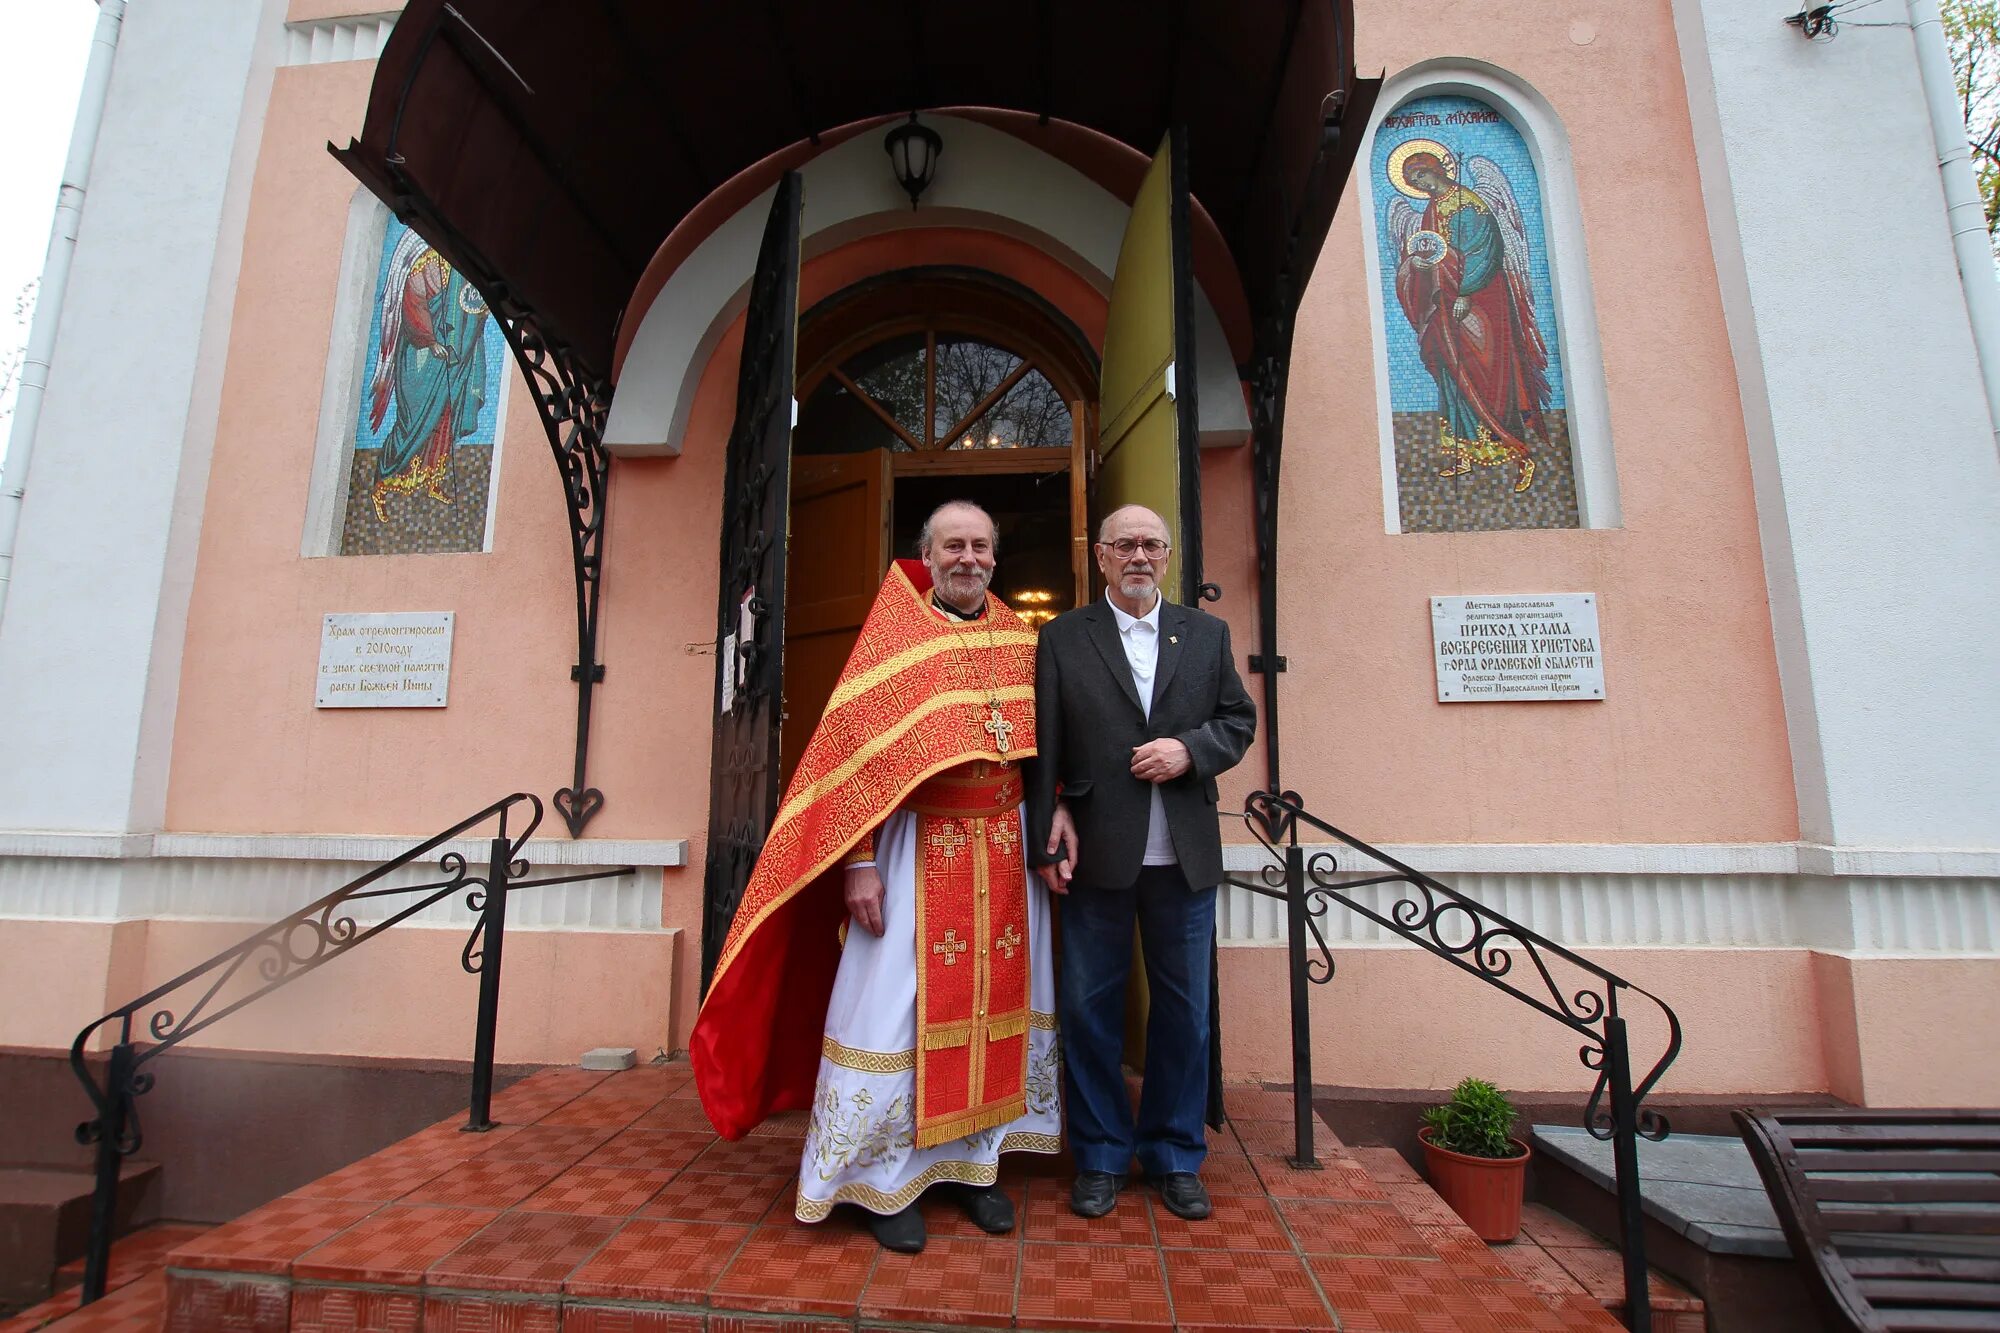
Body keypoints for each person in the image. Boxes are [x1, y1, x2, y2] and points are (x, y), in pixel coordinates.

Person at [691, 501, 1060, 1255]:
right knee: (892, 1009)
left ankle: (973, 1170)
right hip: (915, 850)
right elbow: (851, 759)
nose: (968, 557)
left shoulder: (1021, 637)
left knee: (998, 1007)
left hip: (1004, 847)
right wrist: (857, 860)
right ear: (928, 552)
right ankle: (882, 1182)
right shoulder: (897, 638)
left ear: (996, 557)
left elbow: (1043, 751)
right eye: (952, 544)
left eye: (981, 545)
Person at [1028, 503, 1255, 1222]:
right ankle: (1098, 1153)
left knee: (1184, 1014)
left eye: (1151, 544)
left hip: (1183, 856)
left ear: (1167, 556)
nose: (1139, 555)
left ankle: (1173, 1152)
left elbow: (1237, 720)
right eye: (1124, 544)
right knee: (1091, 1010)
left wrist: (1192, 750)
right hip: (1096, 849)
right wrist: (1049, 819)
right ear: (1100, 556)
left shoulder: (1208, 633)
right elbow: (1045, 744)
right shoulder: (1063, 638)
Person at [1389, 149, 1551, 495]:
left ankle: (1517, 452)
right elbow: (1435, 253)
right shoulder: (1433, 209)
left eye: (1421, 177)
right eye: (1415, 182)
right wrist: (1417, 265)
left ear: (1435, 169)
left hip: (1479, 301)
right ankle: (1463, 448)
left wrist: (1465, 292)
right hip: (1445, 304)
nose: (1421, 185)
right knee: (1450, 368)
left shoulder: (1468, 203)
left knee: (1487, 370)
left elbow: (1486, 252)